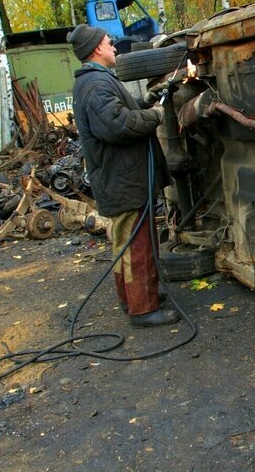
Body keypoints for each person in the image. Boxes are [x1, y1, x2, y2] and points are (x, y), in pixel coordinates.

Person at [67, 24, 178, 328]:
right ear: (96, 49)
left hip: (121, 178)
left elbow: (116, 114)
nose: (114, 47)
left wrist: (145, 101)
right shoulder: (95, 85)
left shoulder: (96, 82)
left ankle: (133, 297)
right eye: (108, 42)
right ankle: (143, 309)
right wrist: (155, 115)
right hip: (124, 179)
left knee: (127, 243)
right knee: (137, 245)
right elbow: (117, 126)